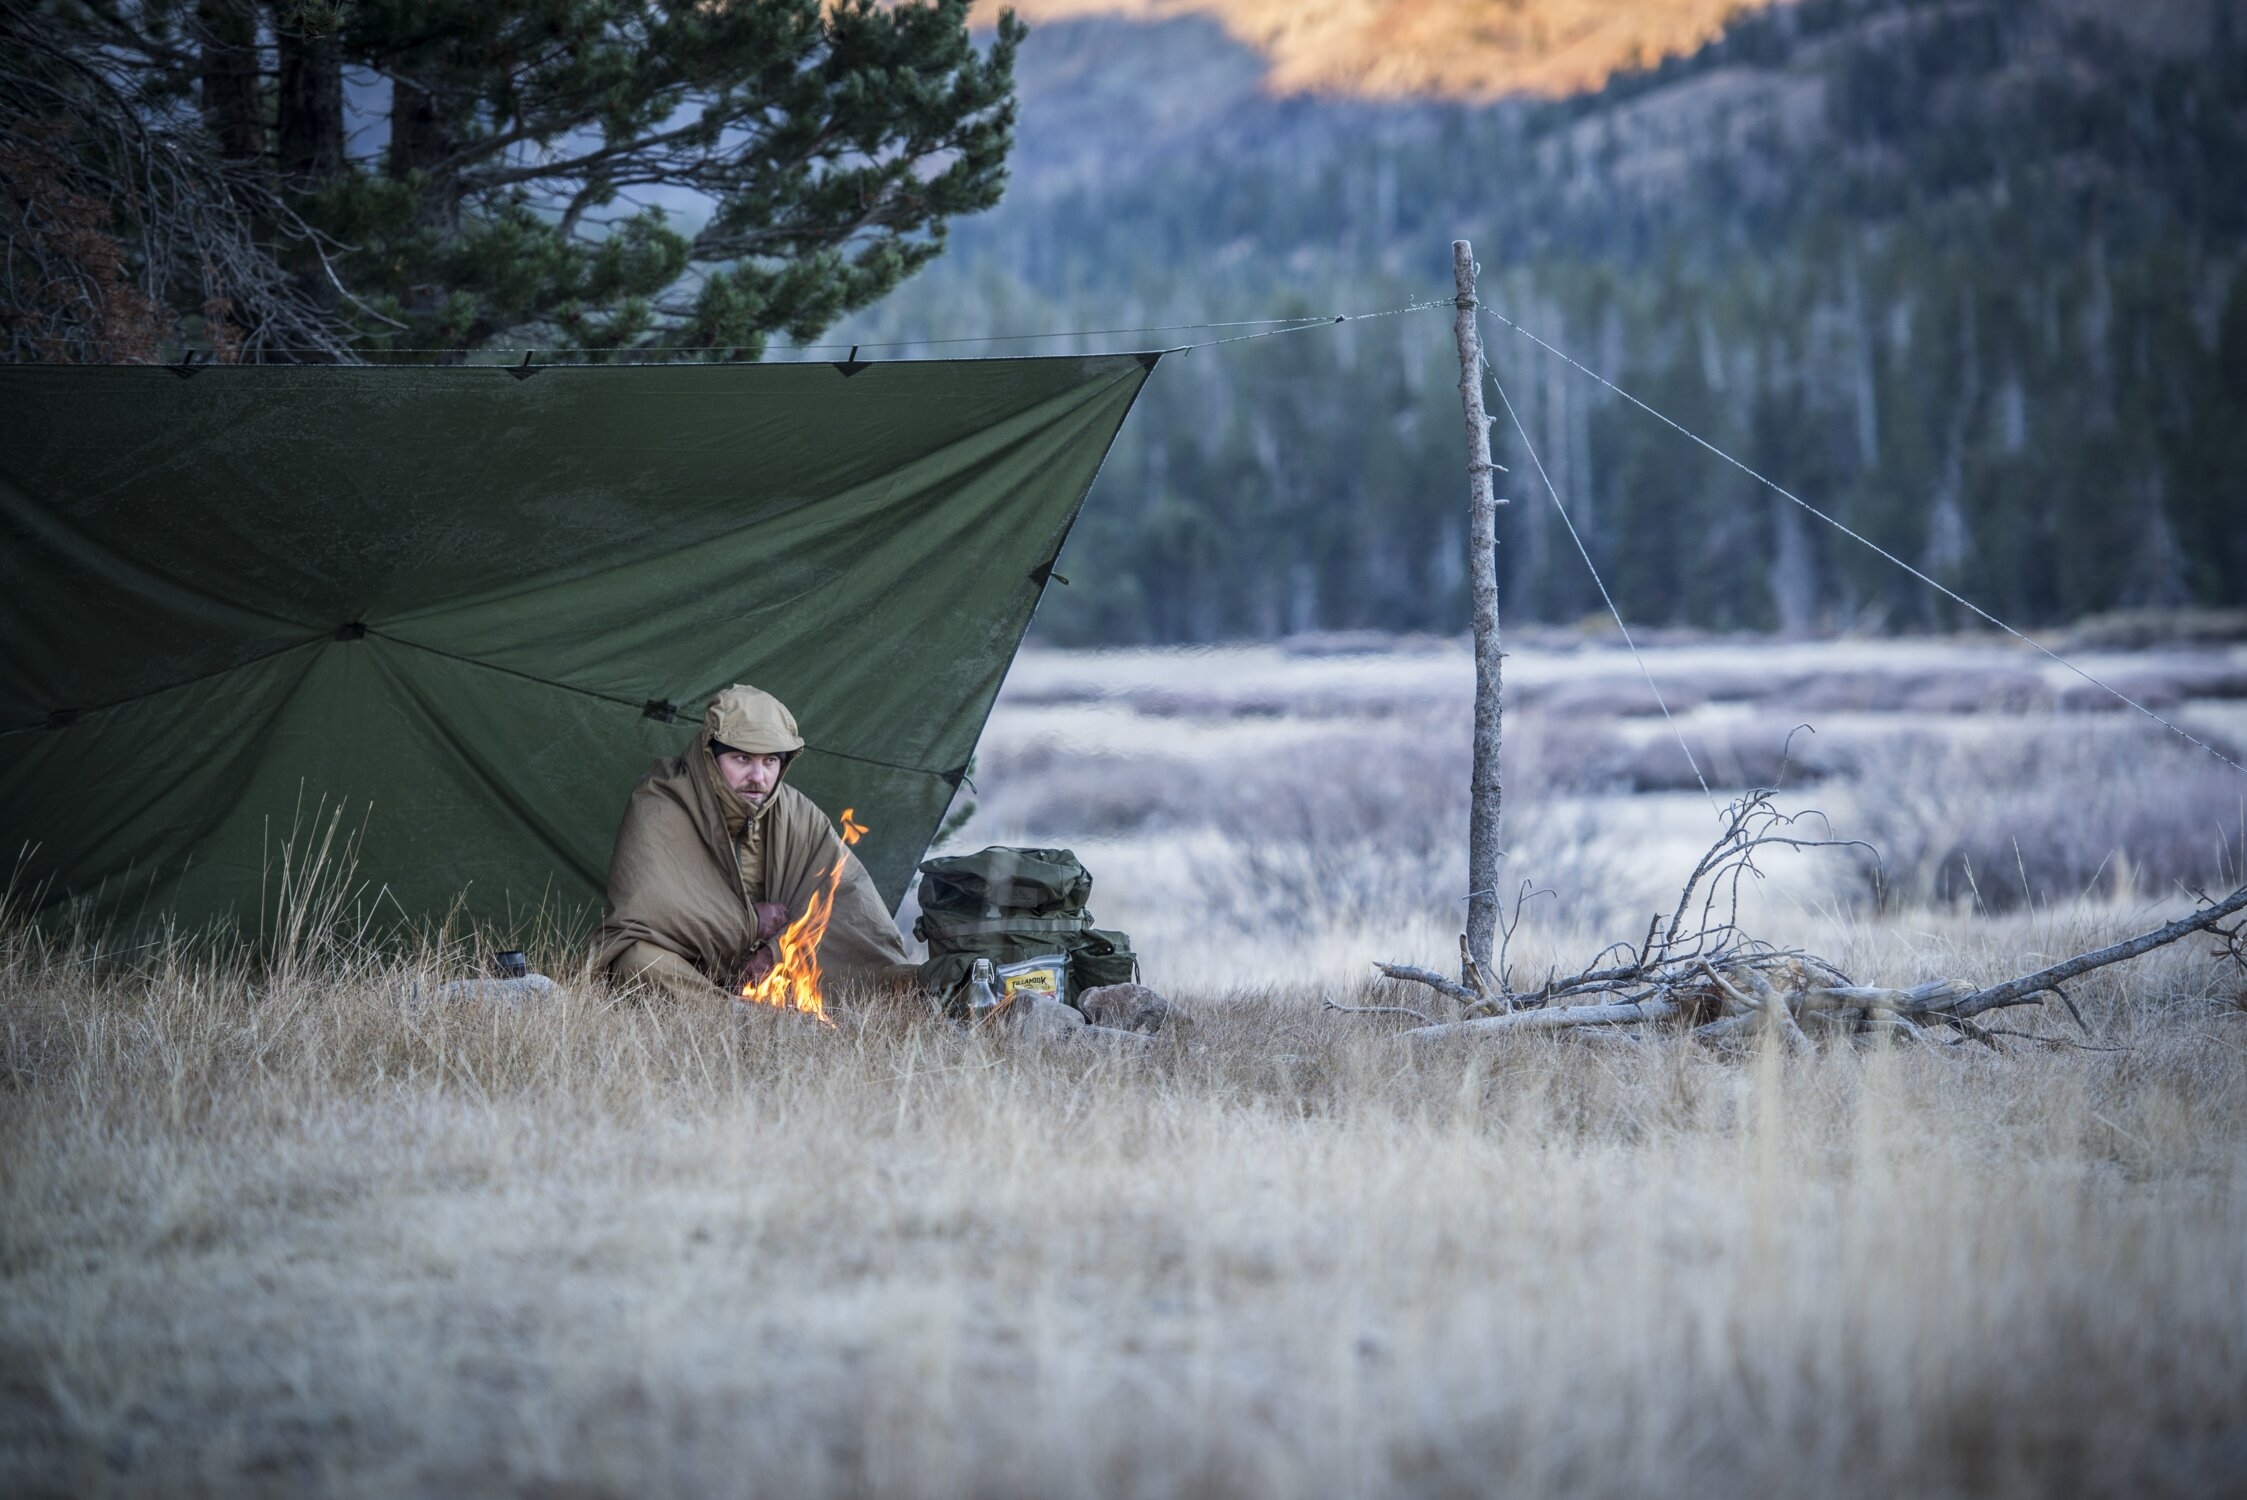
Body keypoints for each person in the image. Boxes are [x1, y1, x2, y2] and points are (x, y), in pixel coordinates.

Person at [593, 684, 912, 1000]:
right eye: (742, 759)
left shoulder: (797, 812)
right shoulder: (663, 797)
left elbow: (846, 901)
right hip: (687, 967)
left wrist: (776, 950)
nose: (758, 777)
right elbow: (650, 907)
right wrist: (749, 923)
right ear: (710, 755)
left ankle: (932, 996)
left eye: (770, 761)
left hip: (773, 973)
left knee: (869, 970)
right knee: (634, 958)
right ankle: (731, 1015)